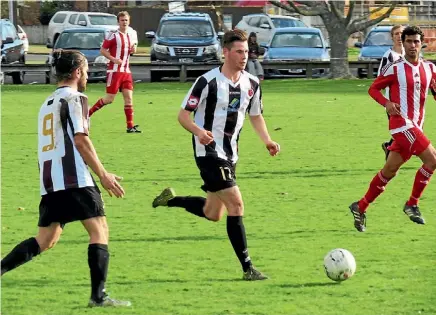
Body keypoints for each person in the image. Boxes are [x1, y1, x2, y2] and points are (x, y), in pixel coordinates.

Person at [1, 50, 131, 308]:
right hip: (74, 179)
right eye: (84, 70)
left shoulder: (47, 103)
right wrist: (102, 174)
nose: (86, 75)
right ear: (76, 72)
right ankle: (98, 297)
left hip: (50, 181)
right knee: (99, 230)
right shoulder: (76, 99)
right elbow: (81, 140)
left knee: (46, 239)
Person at [152, 29, 280, 280]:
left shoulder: (251, 84)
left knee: (213, 213)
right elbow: (183, 116)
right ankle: (248, 268)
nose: (244, 56)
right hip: (208, 152)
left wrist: (268, 140)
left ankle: (170, 200)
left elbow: (255, 115)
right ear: (225, 52)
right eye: (239, 51)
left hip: (231, 154)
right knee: (236, 204)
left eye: (246, 52)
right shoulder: (207, 82)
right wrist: (199, 131)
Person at [349, 26, 436, 232]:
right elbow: (373, 88)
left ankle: (360, 207)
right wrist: (386, 103)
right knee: (432, 160)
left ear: (421, 43)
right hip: (400, 125)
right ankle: (412, 204)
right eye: (408, 41)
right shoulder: (395, 68)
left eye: (416, 41)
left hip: (416, 126)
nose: (413, 45)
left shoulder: (430, 68)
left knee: (389, 171)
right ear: (402, 43)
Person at [88, 11, 141, 133]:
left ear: (129, 21)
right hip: (115, 71)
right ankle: (87, 114)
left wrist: (133, 50)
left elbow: (132, 51)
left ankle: (130, 126)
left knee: (129, 99)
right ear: (118, 22)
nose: (124, 22)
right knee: (109, 99)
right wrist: (113, 59)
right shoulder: (113, 35)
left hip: (126, 71)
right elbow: (103, 50)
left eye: (126, 20)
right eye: (122, 20)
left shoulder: (130, 36)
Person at [379, 25, 405, 160]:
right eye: (396, 34)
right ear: (392, 37)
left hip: (411, 101)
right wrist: (387, 102)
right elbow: (380, 80)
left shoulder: (411, 53)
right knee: (404, 131)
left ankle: (389, 148)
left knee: (408, 130)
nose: (400, 36)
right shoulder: (389, 56)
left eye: (402, 33)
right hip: (395, 102)